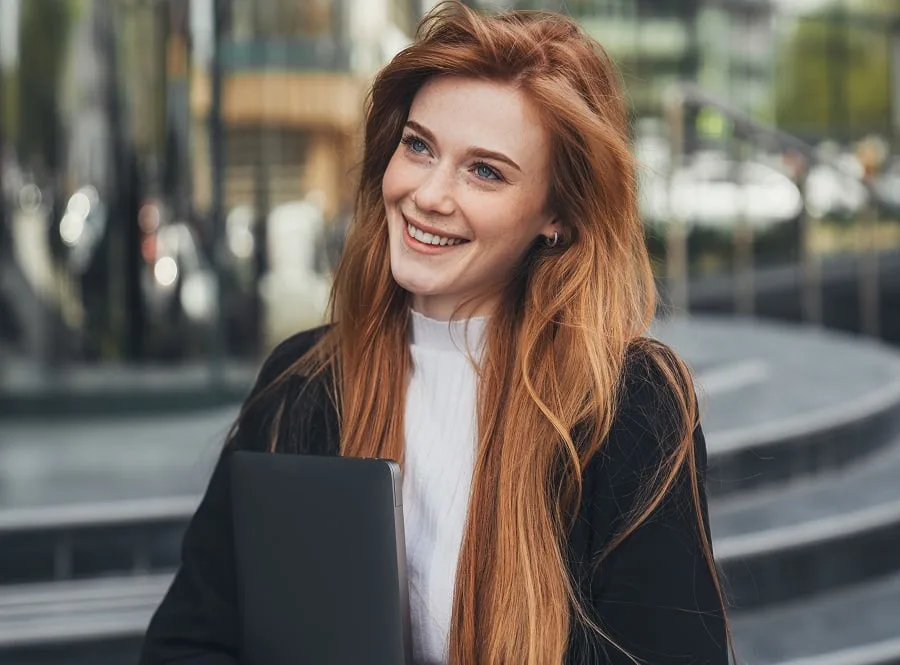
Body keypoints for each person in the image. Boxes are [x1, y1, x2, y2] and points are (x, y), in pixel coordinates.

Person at [139, 3, 731, 664]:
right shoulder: (302, 381)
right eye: (419, 146)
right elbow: (188, 643)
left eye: (485, 170)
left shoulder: (630, 404)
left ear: (557, 216)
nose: (428, 194)